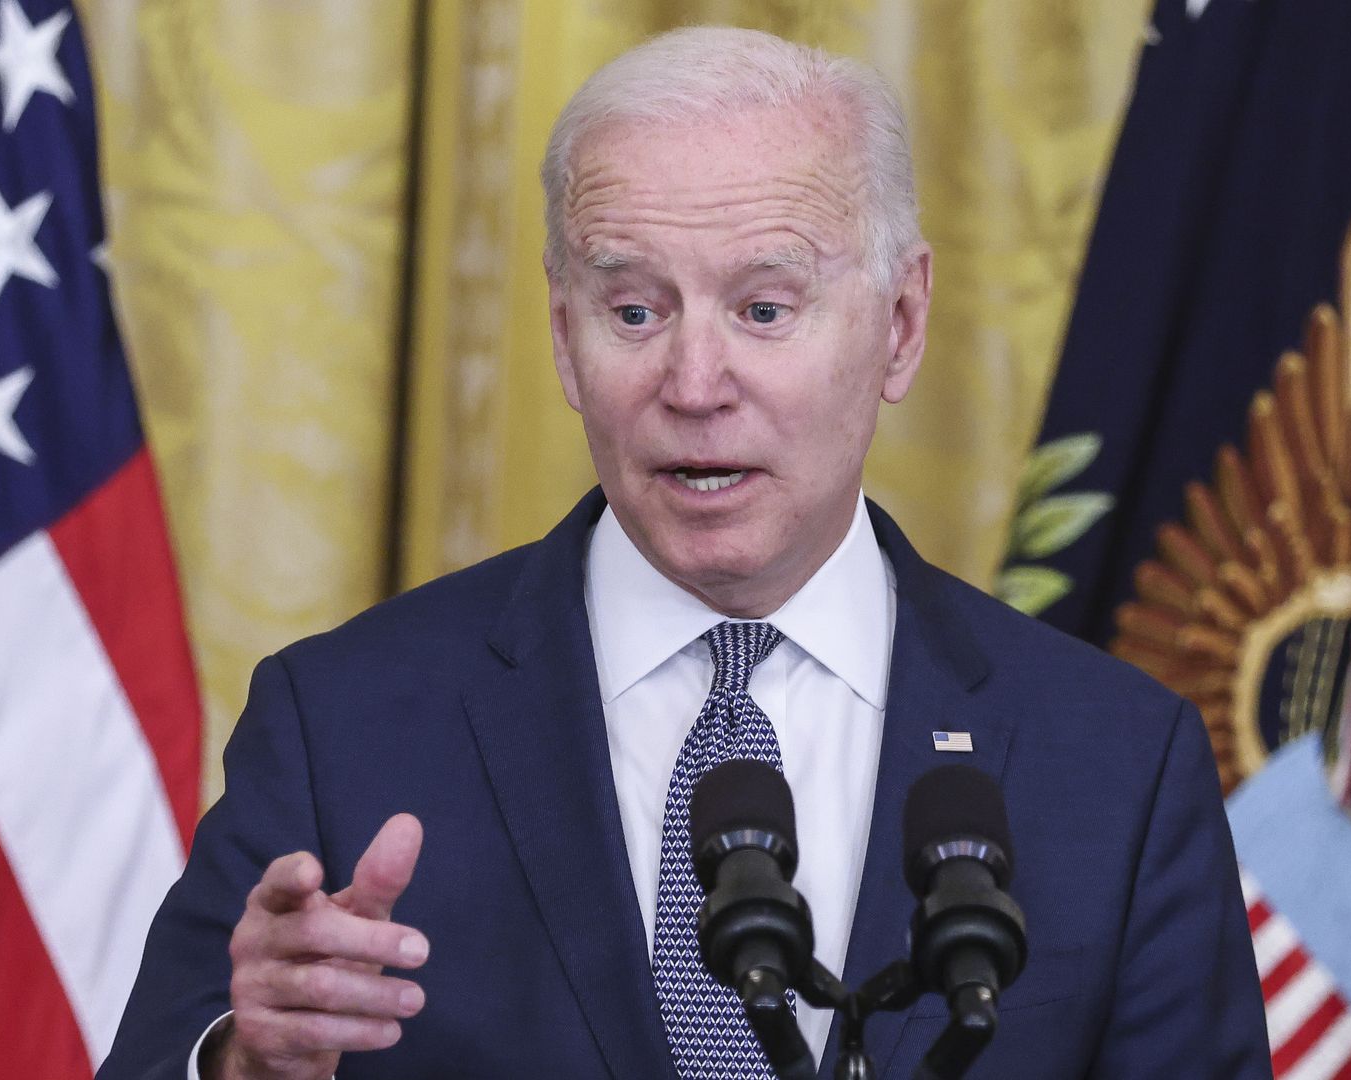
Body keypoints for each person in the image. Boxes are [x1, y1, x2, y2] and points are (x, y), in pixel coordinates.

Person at [97, 26, 1271, 1080]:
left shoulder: (1117, 763)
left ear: (901, 324)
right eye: (635, 313)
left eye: (764, 309)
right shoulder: (343, 725)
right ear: (565, 336)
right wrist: (248, 1065)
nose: (695, 385)